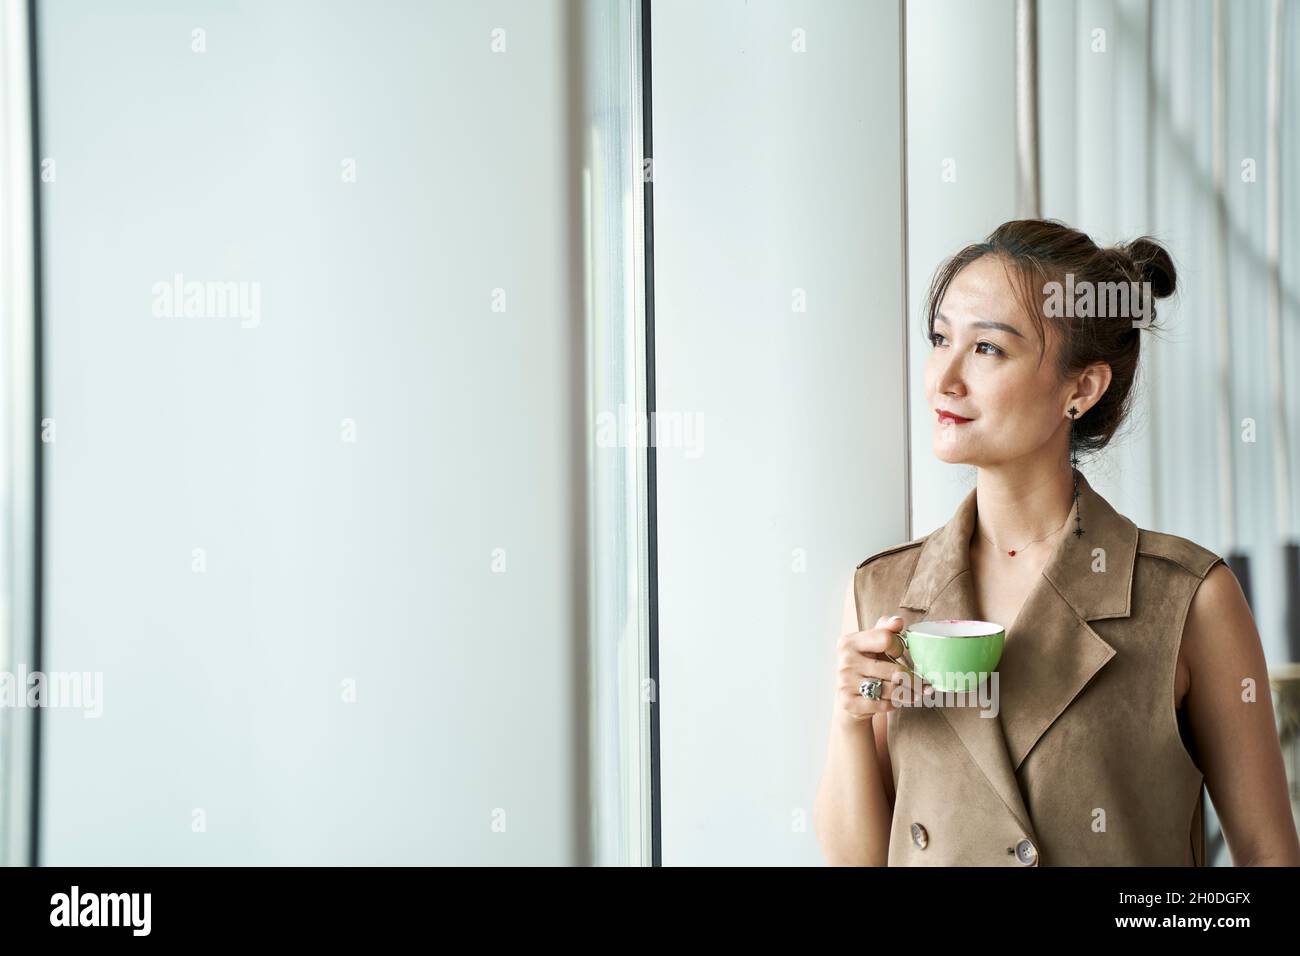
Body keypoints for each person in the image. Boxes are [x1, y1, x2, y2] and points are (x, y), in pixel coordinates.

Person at [813, 219, 1300, 866]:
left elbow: (1269, 853)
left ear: (1082, 388)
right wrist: (849, 721)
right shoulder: (882, 590)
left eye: (988, 349)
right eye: (941, 339)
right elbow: (858, 862)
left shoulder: (1187, 599)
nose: (944, 379)